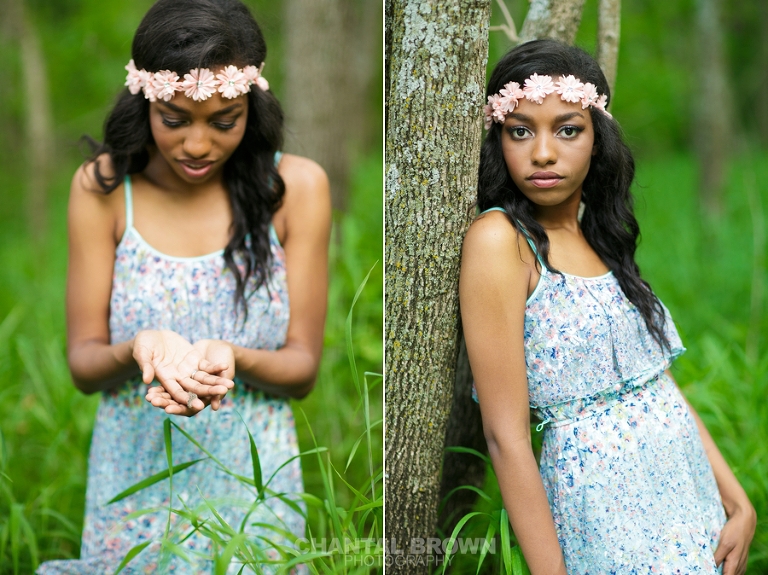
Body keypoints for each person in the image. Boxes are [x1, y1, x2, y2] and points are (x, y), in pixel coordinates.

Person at [37, 0, 330, 572]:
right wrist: (137, 346)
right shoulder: (104, 190)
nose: (198, 145)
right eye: (175, 119)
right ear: (145, 99)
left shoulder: (297, 188)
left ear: (252, 104)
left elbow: (302, 369)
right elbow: (83, 363)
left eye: (225, 121)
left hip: (253, 482)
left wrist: (233, 359)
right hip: (133, 482)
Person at [459, 40, 756, 574]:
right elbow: (506, 436)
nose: (543, 152)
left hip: (686, 495)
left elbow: (655, 385)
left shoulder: (599, 232)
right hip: (601, 506)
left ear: (598, 137)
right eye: (520, 130)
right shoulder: (501, 240)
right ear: (498, 139)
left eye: (567, 129)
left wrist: (737, 499)